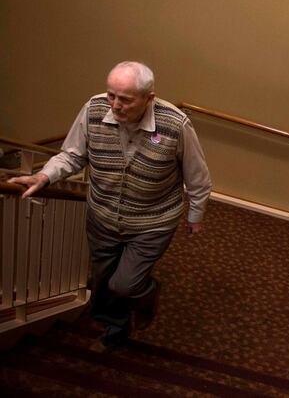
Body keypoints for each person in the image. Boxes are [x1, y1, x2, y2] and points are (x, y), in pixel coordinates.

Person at [9, 61, 212, 350]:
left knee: (125, 284)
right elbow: (72, 155)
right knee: (102, 280)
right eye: (111, 95)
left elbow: (198, 177)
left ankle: (147, 293)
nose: (115, 105)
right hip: (102, 216)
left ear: (149, 98)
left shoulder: (175, 124)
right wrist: (44, 175)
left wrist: (195, 214)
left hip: (152, 222)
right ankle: (114, 328)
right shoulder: (93, 109)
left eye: (126, 99)